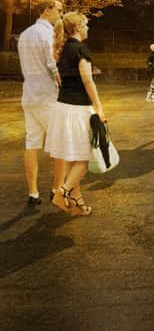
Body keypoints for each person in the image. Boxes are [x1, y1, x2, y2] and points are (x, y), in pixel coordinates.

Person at [47, 11, 104, 217]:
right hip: (78, 109)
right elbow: (88, 81)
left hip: (62, 108)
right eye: (86, 25)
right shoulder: (80, 50)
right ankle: (62, 193)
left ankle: (77, 203)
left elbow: (58, 79)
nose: (88, 28)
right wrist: (99, 107)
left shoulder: (62, 50)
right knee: (84, 158)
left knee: (73, 157)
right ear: (78, 27)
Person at [18, 0, 63, 208]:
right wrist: (61, 81)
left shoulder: (25, 35)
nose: (60, 15)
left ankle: (33, 192)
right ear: (47, 10)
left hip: (29, 94)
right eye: (59, 10)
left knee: (31, 144)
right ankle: (57, 190)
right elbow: (51, 64)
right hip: (47, 95)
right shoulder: (47, 34)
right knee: (61, 144)